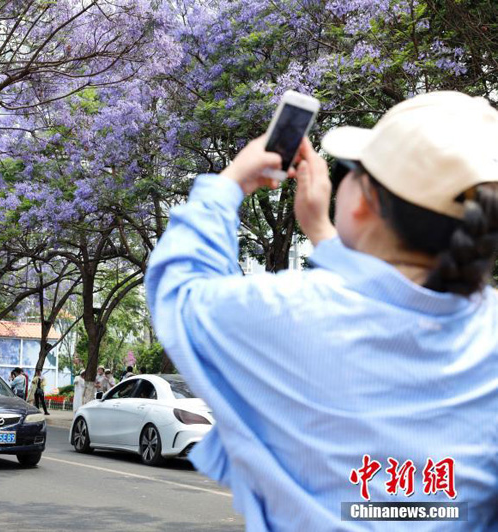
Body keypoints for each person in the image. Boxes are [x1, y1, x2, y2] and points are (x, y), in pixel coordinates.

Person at [145, 92, 498, 529]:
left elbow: (178, 288)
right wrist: (322, 233)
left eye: (350, 170)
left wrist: (231, 181)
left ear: (364, 200)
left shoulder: (285, 313)